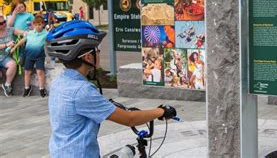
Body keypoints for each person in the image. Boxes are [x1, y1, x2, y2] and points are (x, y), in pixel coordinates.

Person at [46, 20, 177, 157]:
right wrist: (161, 111)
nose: (99, 53)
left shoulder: (60, 81)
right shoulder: (81, 90)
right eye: (97, 50)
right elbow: (130, 119)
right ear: (88, 57)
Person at [16, 15, 48, 97]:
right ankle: (27, 88)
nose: (38, 26)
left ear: (43, 24)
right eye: (36, 25)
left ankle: (42, 89)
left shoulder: (46, 34)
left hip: (39, 56)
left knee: (40, 72)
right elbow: (23, 40)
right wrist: (14, 47)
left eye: (40, 24)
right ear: (33, 25)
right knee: (27, 72)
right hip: (29, 56)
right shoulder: (30, 33)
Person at [0, 13, 25, 96]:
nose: (3, 24)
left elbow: (21, 32)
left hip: (5, 57)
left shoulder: (10, 29)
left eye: (4, 22)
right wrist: (6, 45)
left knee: (13, 64)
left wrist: (26, 34)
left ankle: (7, 85)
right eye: (1, 23)